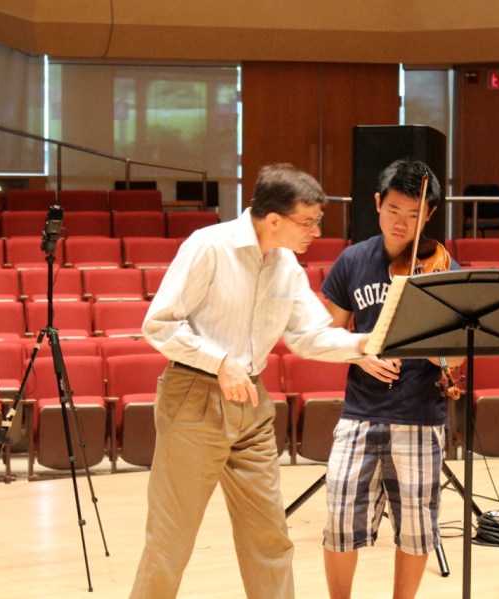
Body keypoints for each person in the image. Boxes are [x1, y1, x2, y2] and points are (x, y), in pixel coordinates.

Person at [128, 163, 372, 599]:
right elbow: (159, 325)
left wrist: (363, 344)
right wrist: (219, 361)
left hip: (253, 403)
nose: (317, 231)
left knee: (270, 538)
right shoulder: (209, 246)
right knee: (171, 540)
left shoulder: (286, 265)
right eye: (309, 221)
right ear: (274, 219)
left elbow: (309, 335)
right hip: (195, 397)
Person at [319, 158, 461, 599]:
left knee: (417, 528)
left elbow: (456, 355)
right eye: (394, 209)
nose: (402, 223)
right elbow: (327, 335)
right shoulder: (353, 260)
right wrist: (361, 355)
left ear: (429, 214)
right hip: (360, 412)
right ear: (378, 203)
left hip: (419, 413)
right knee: (339, 519)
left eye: (414, 214)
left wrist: (434, 347)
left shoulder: (443, 268)